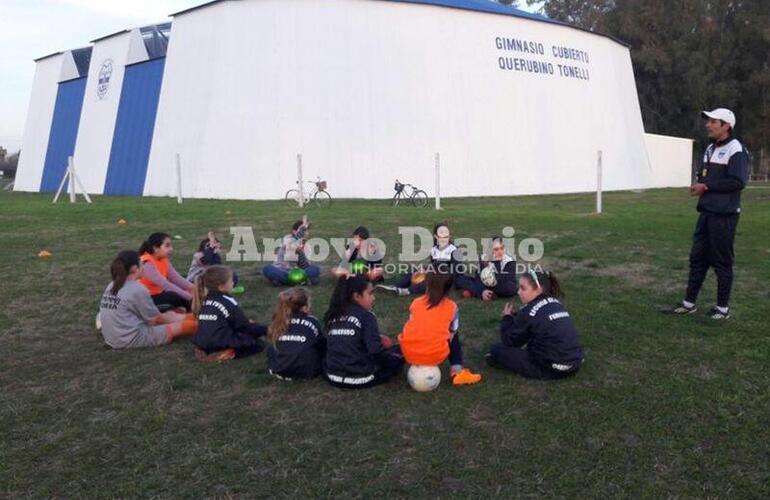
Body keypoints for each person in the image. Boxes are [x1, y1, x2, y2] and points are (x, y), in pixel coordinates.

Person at [669, 108, 750, 320]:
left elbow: (737, 181)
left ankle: (722, 309)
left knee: (722, 261)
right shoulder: (709, 148)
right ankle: (689, 303)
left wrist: (707, 187)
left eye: (714, 121)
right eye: (709, 121)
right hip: (706, 213)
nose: (708, 125)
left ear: (726, 126)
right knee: (697, 259)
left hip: (725, 215)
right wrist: (699, 183)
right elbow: (705, 176)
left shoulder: (736, 149)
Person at [486, 269, 583, 380]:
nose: (518, 292)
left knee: (496, 350)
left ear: (538, 289)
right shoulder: (557, 303)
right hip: (574, 364)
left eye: (523, 288)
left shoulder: (529, 311)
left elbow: (510, 341)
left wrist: (507, 318)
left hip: (550, 369)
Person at [99, 250, 197, 349]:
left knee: (171, 315)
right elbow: (156, 321)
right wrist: (181, 319)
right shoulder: (137, 289)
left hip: (112, 338)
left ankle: (200, 317)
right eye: (142, 264)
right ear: (134, 269)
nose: (144, 267)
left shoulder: (112, 285)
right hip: (130, 338)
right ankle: (204, 323)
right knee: (182, 326)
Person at [398, 270, 482, 385]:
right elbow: (452, 333)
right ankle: (457, 371)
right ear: (448, 290)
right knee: (453, 333)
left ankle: (401, 358)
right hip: (434, 355)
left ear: (427, 285)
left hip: (408, 353)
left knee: (417, 327)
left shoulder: (416, 303)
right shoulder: (452, 307)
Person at [324, 275, 404, 388]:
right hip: (360, 378)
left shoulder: (333, 315)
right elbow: (375, 352)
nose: (373, 298)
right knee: (400, 351)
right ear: (356, 296)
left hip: (332, 376)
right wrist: (391, 357)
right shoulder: (367, 316)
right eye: (370, 293)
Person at [378, 222, 474, 296]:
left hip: (450, 280)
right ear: (436, 236)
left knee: (431, 281)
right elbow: (434, 265)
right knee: (413, 271)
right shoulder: (434, 250)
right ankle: (395, 287)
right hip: (437, 274)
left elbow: (455, 272)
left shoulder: (455, 251)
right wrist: (425, 269)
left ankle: (407, 291)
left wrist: (434, 273)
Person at [192, 265, 267, 360]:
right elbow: (243, 326)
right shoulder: (228, 301)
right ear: (221, 287)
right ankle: (227, 353)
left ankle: (205, 351)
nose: (232, 283)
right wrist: (265, 330)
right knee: (257, 344)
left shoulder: (205, 300)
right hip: (219, 342)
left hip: (202, 342)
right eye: (230, 281)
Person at [266, 287, 325, 380]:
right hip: (309, 371)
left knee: (273, 347)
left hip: (279, 369)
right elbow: (321, 345)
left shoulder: (277, 321)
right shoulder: (313, 321)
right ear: (305, 306)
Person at [138, 232, 194, 310]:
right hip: (144, 300)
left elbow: (176, 278)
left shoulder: (163, 259)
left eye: (171, 245)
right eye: (167, 246)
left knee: (184, 291)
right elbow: (166, 285)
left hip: (158, 294)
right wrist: (191, 298)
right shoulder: (147, 263)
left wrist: (195, 289)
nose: (171, 249)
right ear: (155, 248)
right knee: (175, 296)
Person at [262, 215, 321, 286]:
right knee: (268, 269)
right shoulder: (287, 240)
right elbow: (296, 240)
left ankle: (283, 281)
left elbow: (305, 266)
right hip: (284, 270)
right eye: (304, 230)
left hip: (298, 273)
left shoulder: (307, 247)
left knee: (315, 269)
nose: (306, 233)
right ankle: (300, 281)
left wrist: (301, 252)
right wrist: (303, 228)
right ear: (294, 231)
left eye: (307, 231)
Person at [462, 236, 518, 301]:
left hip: (502, 283)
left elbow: (506, 279)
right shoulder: (485, 258)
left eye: (502, 248)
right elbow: (478, 276)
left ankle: (480, 293)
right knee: (465, 280)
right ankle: (484, 293)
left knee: (511, 288)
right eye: (496, 249)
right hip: (486, 282)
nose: (500, 252)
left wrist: (497, 262)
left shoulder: (509, 260)